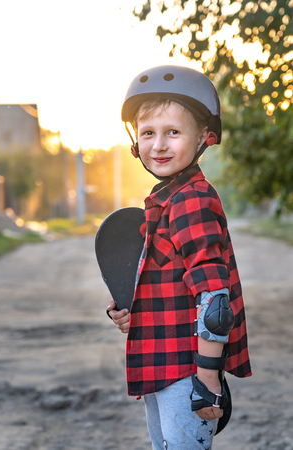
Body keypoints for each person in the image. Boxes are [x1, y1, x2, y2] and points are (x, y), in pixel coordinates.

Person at [107, 65, 252, 450]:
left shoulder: (191, 200)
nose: (159, 145)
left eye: (173, 132)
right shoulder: (167, 199)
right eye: (148, 132)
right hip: (162, 362)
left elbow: (213, 298)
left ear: (205, 137)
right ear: (135, 141)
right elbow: (166, 278)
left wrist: (206, 377)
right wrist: (127, 309)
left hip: (186, 369)